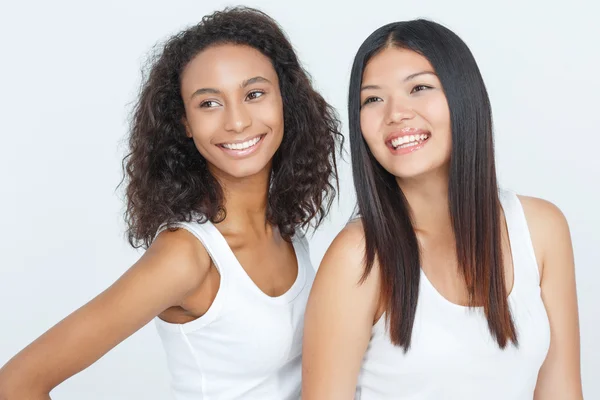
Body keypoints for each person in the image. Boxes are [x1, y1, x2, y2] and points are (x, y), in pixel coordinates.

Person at [0, 7, 341, 400]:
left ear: (285, 100)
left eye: (254, 94)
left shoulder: (285, 228)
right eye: (209, 103)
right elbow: (18, 382)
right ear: (185, 123)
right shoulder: (186, 255)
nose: (237, 122)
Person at [302, 19, 582, 400]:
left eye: (419, 88)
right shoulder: (358, 257)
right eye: (372, 99)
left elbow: (562, 391)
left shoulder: (541, 229)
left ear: (463, 96)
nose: (396, 114)